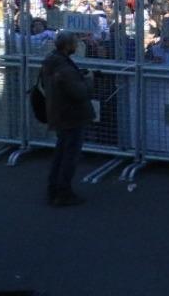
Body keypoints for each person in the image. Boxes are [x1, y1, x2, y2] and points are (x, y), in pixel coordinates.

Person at [41, 31, 94, 207]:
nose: (77, 46)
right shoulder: (63, 67)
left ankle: (54, 188)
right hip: (71, 116)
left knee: (61, 153)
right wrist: (89, 80)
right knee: (69, 156)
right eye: (75, 43)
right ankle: (63, 192)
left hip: (60, 113)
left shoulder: (52, 61)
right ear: (67, 46)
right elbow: (80, 93)